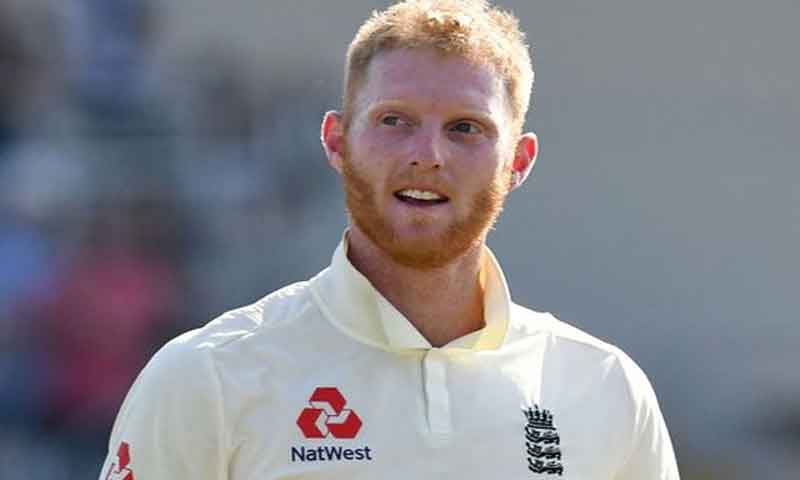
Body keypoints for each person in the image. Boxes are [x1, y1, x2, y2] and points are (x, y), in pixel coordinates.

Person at [99, 1, 680, 479]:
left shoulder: (606, 387)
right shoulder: (207, 377)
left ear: (518, 162)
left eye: (466, 128)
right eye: (394, 120)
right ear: (336, 141)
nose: (427, 155)